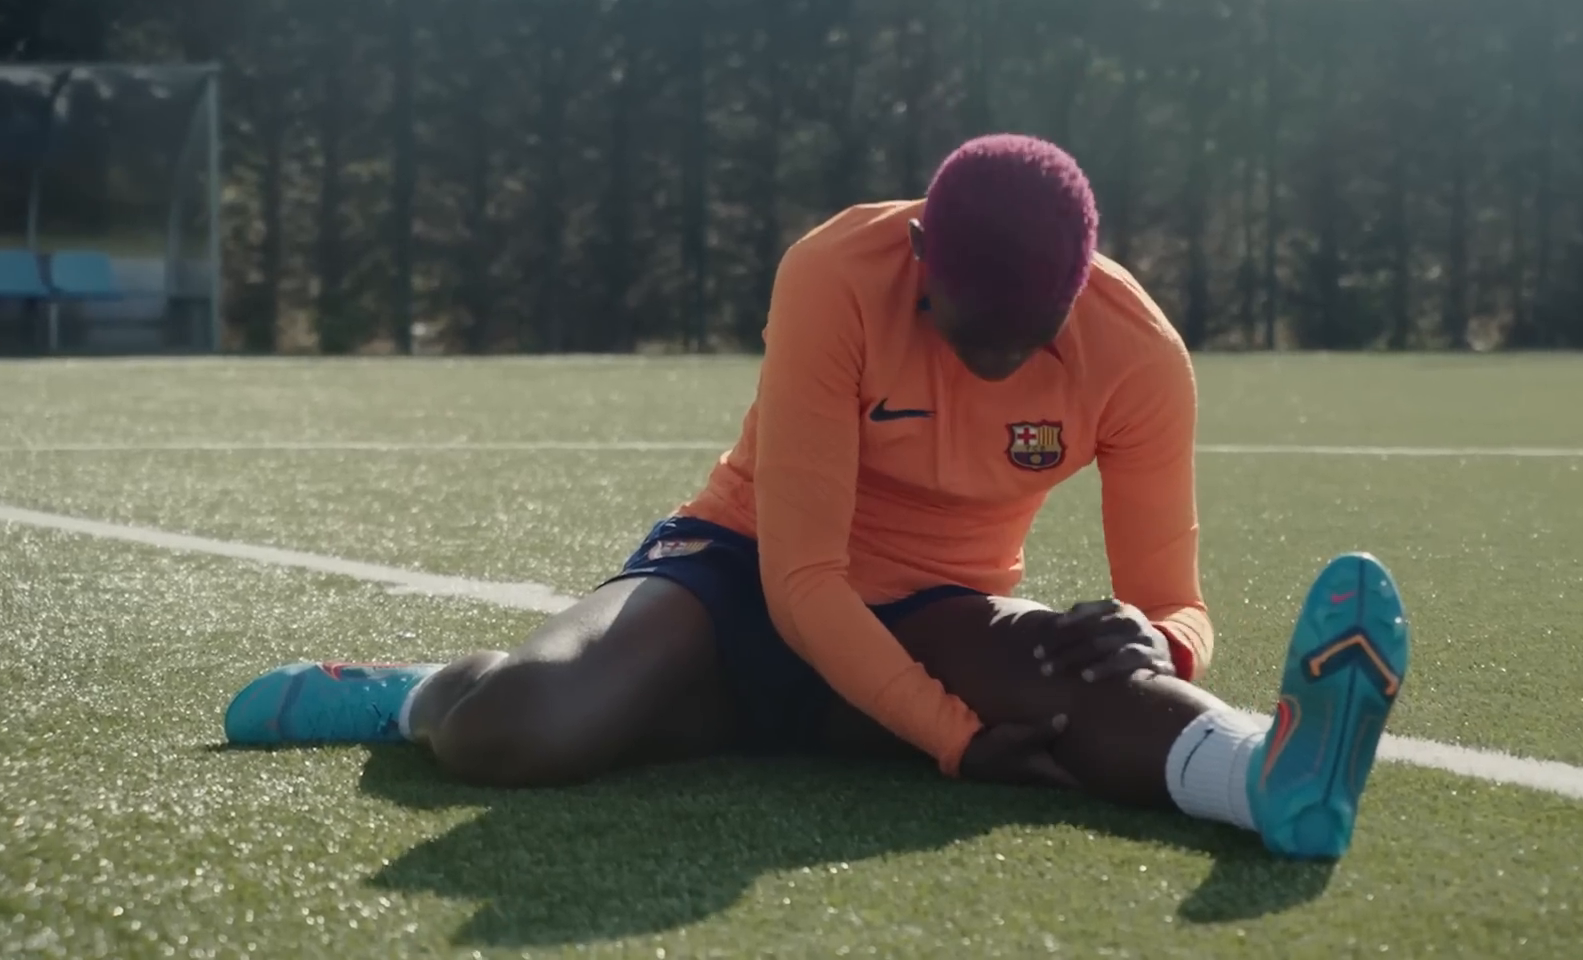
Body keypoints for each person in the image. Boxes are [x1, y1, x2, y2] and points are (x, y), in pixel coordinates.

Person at [223, 134, 1410, 859]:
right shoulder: (835, 270)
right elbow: (800, 580)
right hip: (737, 576)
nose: (999, 363)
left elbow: (1174, 601)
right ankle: (413, 692)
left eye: (1033, 337)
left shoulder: (1139, 353)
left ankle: (1271, 780)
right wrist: (951, 738)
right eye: (970, 331)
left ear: (1080, 287)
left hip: (935, 608)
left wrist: (1158, 639)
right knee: (517, 733)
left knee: (1093, 679)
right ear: (922, 257)